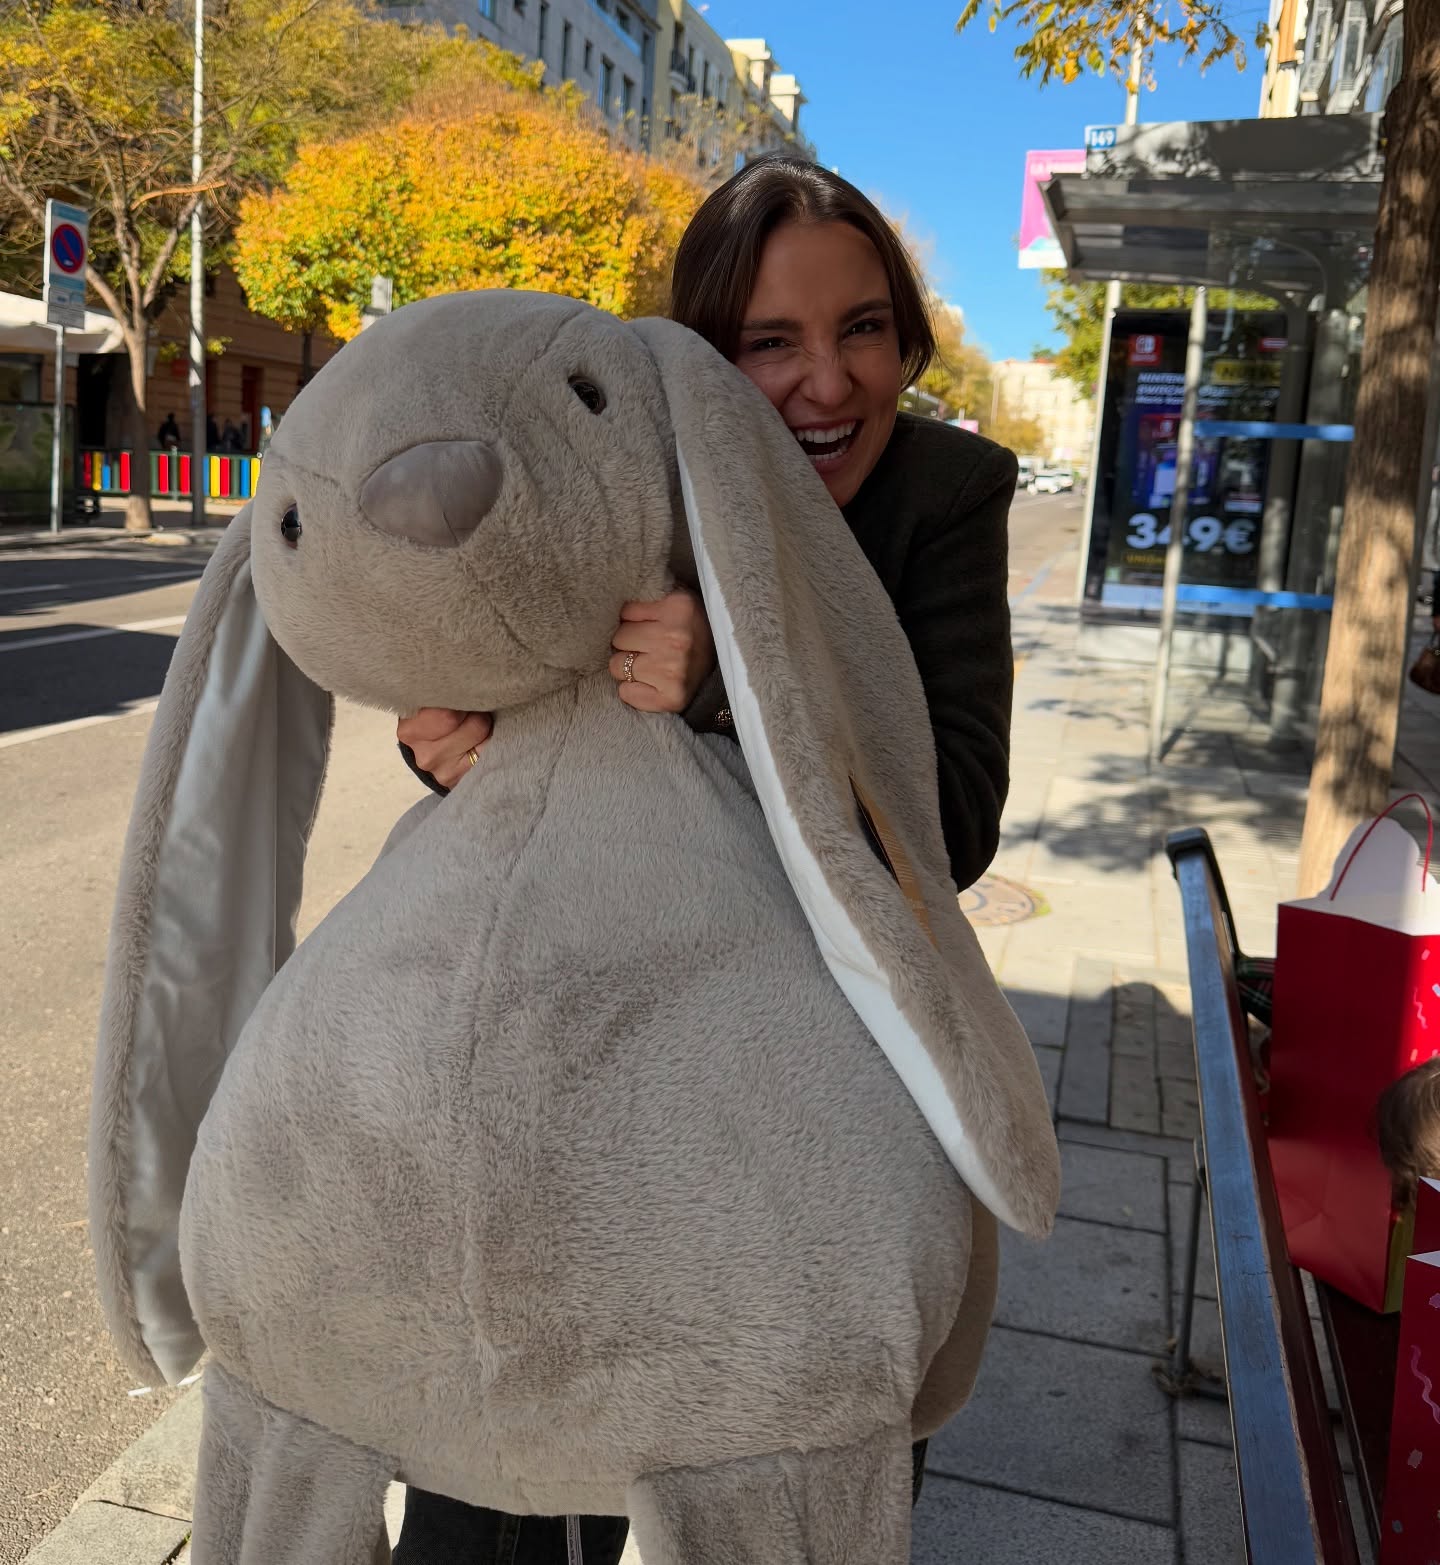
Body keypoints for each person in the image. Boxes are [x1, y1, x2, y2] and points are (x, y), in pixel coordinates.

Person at [391, 153, 1017, 1565]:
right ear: (696, 357)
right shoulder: (615, 466)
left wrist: (737, 688)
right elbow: (500, 665)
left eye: (863, 329)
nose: (828, 384)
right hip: (590, 1056)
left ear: (907, 338)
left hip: (821, 1092)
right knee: (493, 1454)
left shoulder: (943, 495)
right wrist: (447, 737)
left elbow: (957, 816)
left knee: (778, 1469)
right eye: (770, 344)